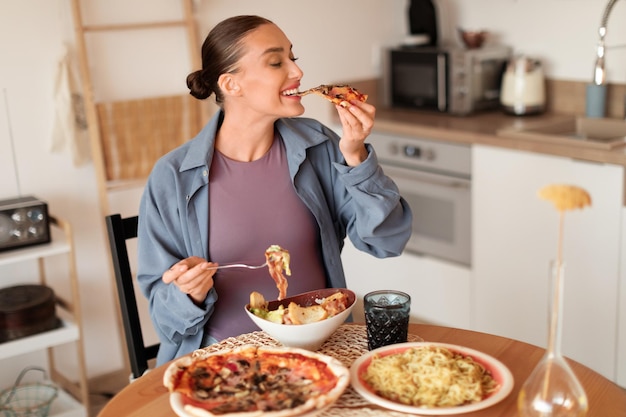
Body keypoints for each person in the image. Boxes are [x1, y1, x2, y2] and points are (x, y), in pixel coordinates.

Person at [137, 15, 412, 366]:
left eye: (293, 58)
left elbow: (386, 241)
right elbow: (165, 321)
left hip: (320, 353)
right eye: (276, 62)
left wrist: (356, 156)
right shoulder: (172, 177)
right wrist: (188, 293)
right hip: (221, 362)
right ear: (231, 84)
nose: (297, 72)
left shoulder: (320, 146)